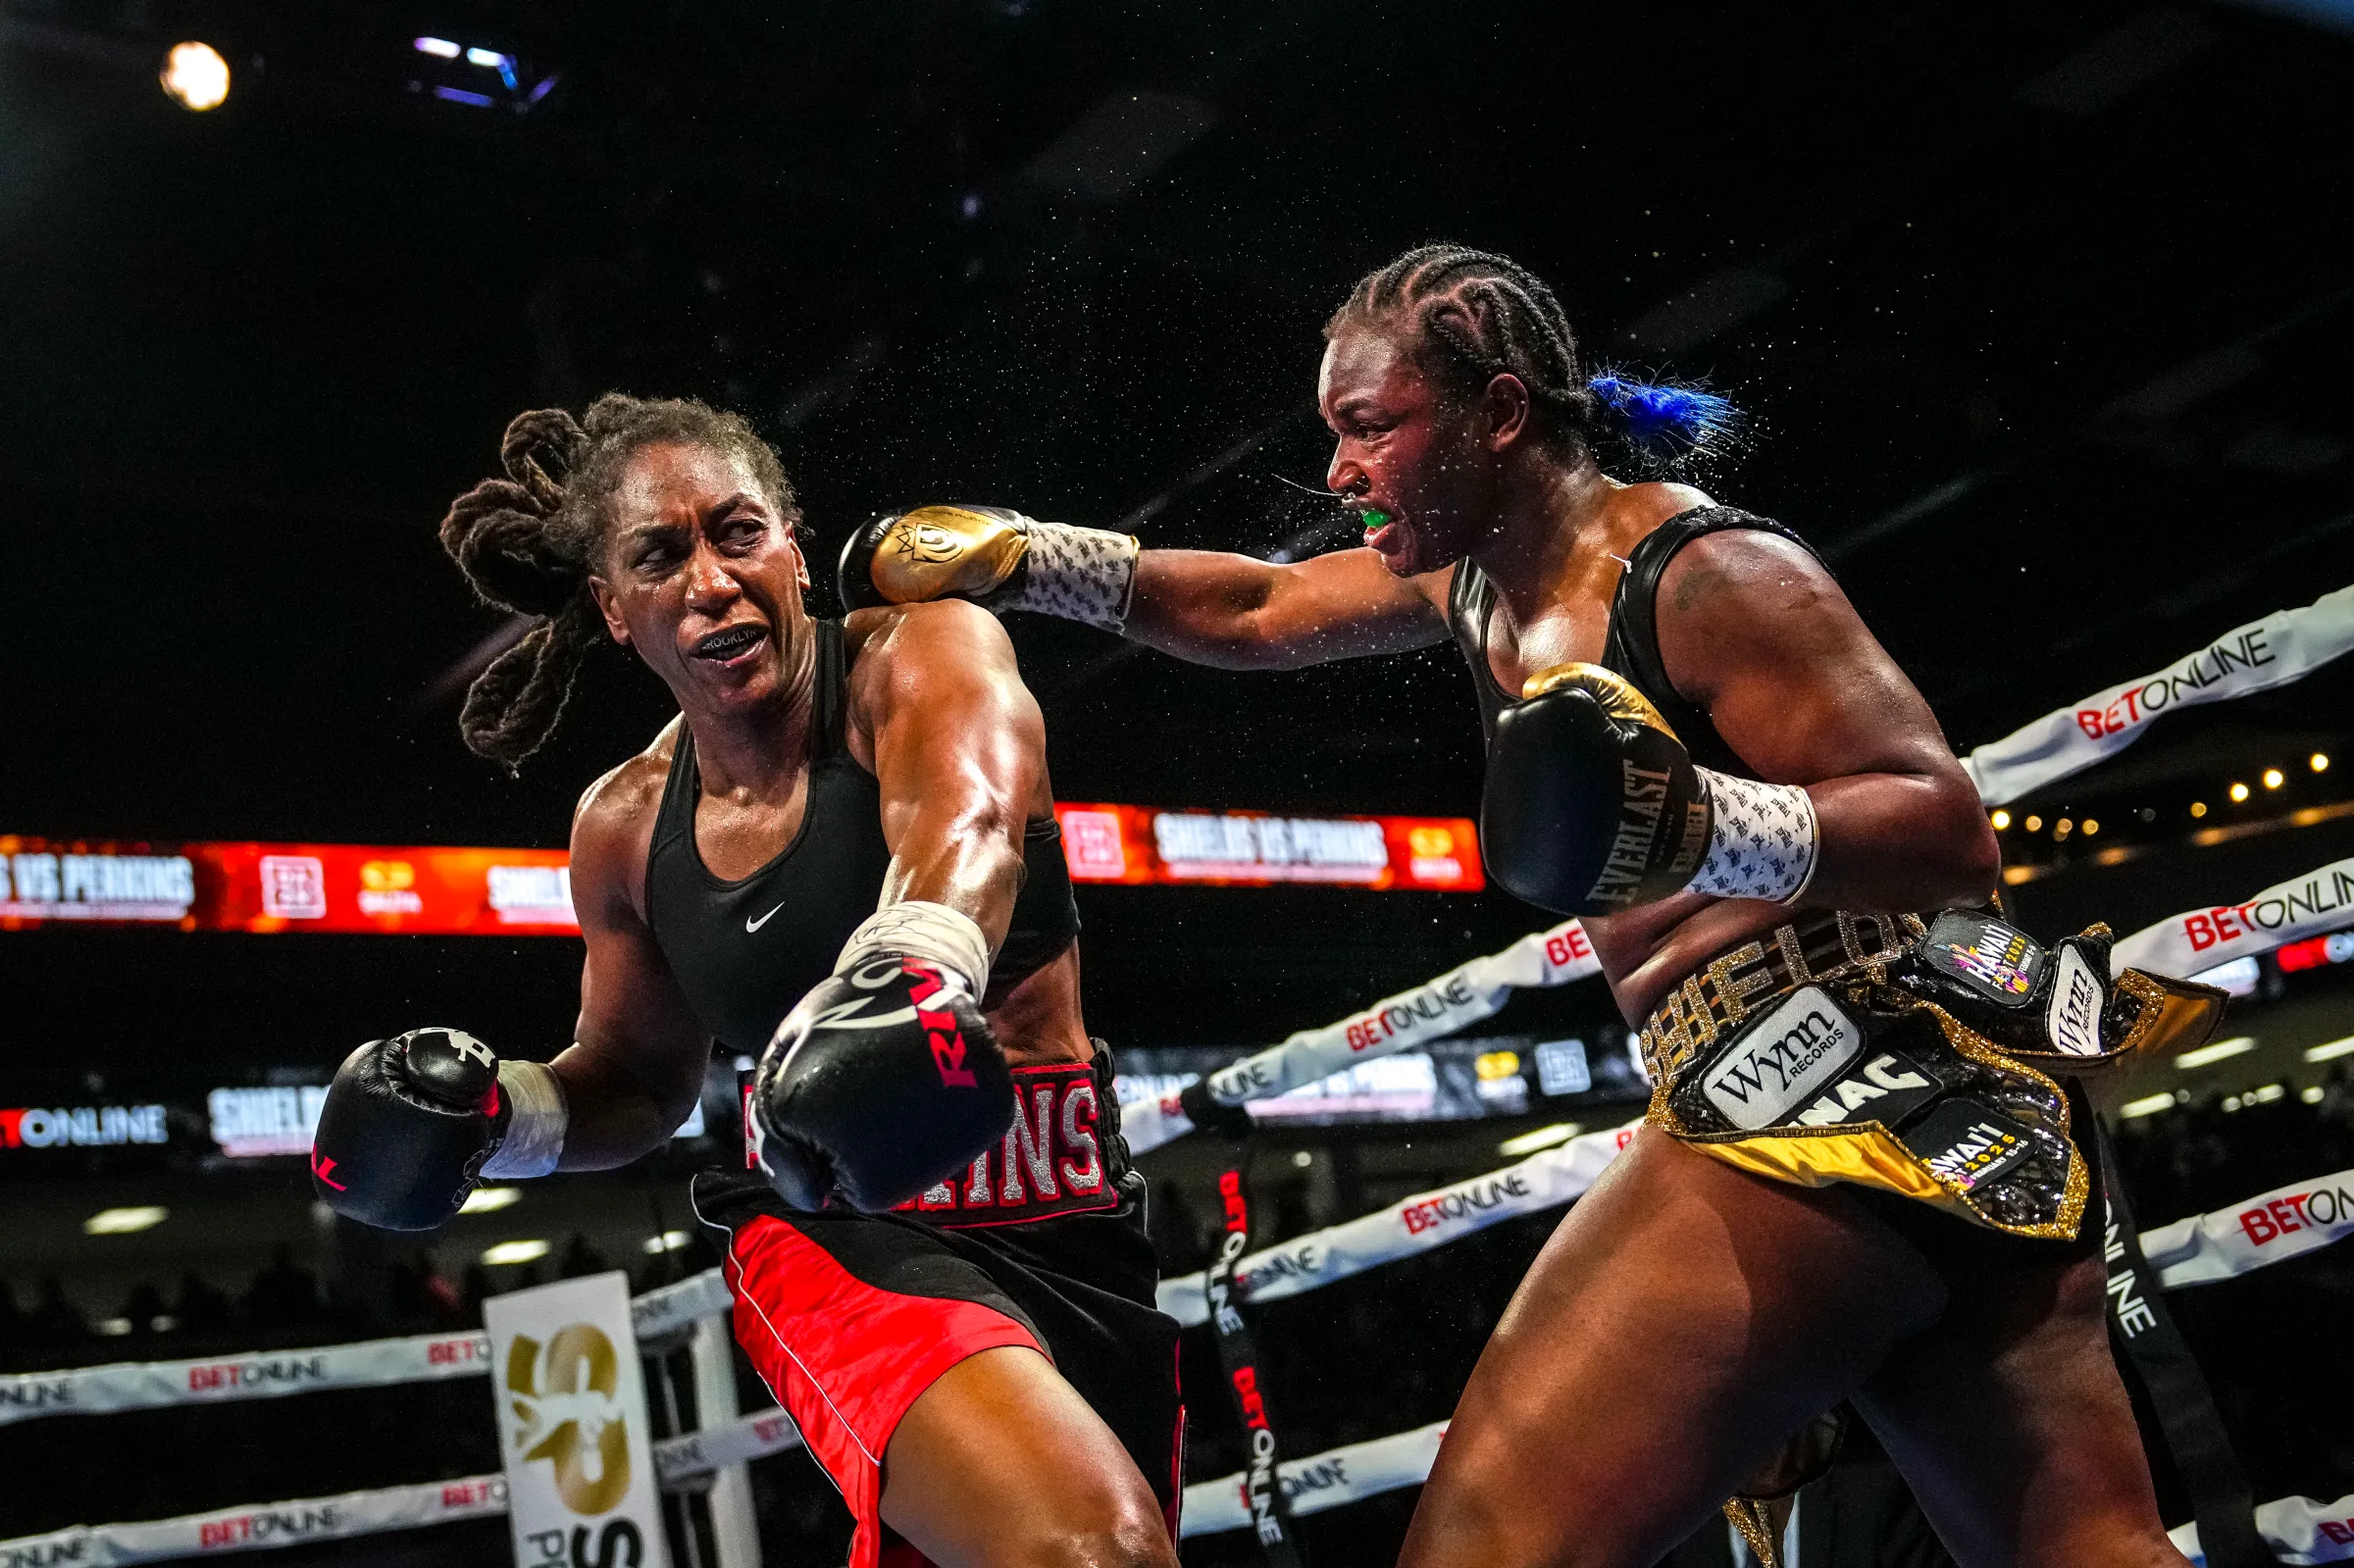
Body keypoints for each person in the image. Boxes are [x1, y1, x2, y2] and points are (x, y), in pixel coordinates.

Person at [841, 245, 2224, 1568]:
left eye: (1372, 426)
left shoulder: (1700, 569)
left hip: (1825, 1070)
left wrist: (1702, 820)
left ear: (1499, 413)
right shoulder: (1478, 588)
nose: (1340, 471)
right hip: (1937, 1118)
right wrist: (1028, 555)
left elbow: (1942, 825)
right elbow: (1258, 607)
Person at [310, 395, 1182, 1568]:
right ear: (616, 611)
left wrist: (904, 971)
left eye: (739, 533)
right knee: (1093, 1551)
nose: (714, 580)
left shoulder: (919, 656)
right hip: (838, 1239)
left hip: (1075, 1221)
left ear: (794, 542)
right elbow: (633, 1078)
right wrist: (501, 1120)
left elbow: (970, 826)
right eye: (661, 557)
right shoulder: (623, 827)